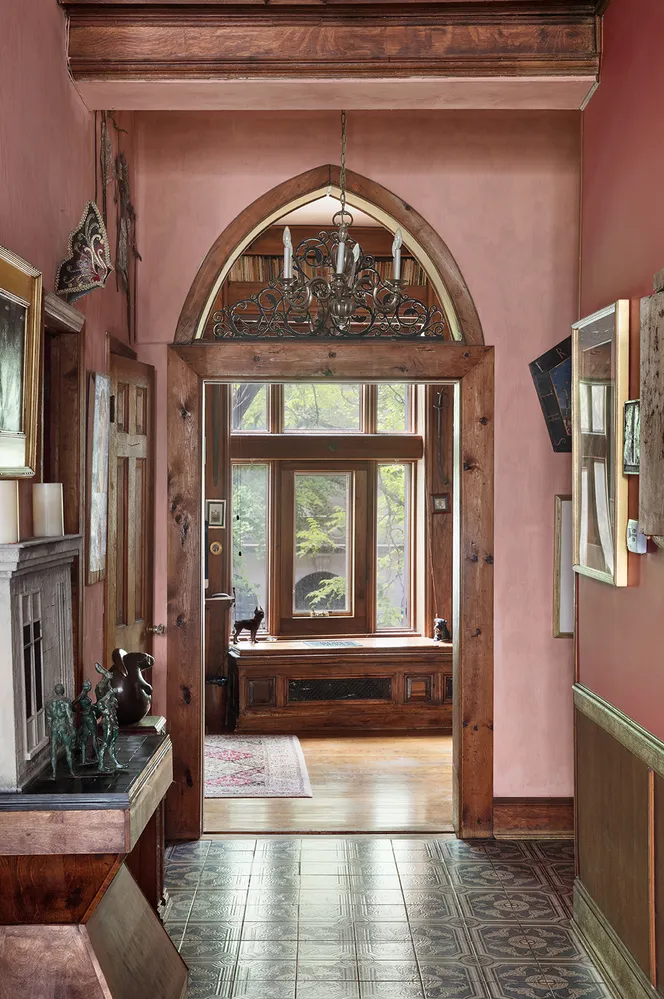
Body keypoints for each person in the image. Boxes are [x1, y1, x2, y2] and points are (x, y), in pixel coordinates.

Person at [45, 684, 77, 779]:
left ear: (55, 691)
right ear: (63, 690)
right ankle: (72, 771)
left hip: (55, 726)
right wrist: (72, 729)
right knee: (68, 749)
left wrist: (51, 728)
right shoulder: (66, 701)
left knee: (53, 750)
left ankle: (54, 773)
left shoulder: (49, 702)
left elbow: (49, 718)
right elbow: (70, 717)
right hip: (63, 725)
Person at [73, 679, 99, 765]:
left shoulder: (83, 695)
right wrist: (79, 711)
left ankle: (84, 759)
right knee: (94, 736)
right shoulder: (82, 695)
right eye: (89, 686)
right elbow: (71, 704)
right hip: (89, 717)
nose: (90, 687)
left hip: (85, 717)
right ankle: (99, 758)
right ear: (86, 687)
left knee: (84, 737)